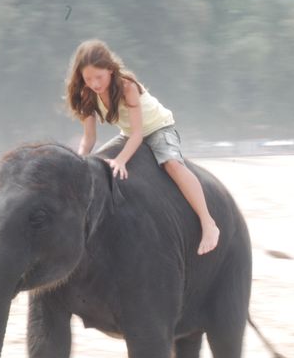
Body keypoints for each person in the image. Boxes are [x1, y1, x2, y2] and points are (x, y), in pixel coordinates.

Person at [65, 39, 219, 255]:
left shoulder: (127, 87)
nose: (95, 83)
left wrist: (120, 160)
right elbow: (88, 139)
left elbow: (139, 134)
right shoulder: (87, 94)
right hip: (127, 135)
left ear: (110, 69)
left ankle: (208, 222)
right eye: (88, 78)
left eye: (99, 77)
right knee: (95, 164)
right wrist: (78, 161)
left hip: (158, 129)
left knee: (172, 165)